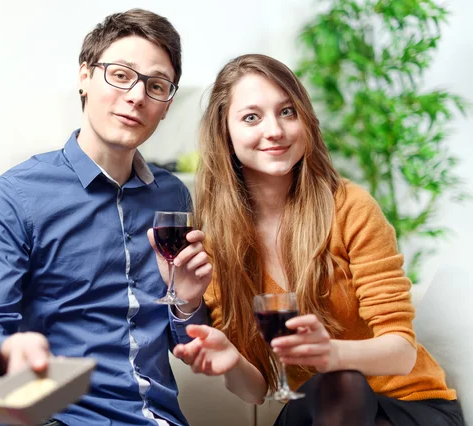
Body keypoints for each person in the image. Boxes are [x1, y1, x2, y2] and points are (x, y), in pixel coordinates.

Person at [0, 9, 212, 426]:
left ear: (165, 106)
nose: (137, 96)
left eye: (156, 86)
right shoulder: (15, 198)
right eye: (121, 75)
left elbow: (188, 346)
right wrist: (6, 353)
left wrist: (188, 301)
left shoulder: (173, 195)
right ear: (84, 77)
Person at [172, 53, 464, 426]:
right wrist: (230, 360)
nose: (274, 130)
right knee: (328, 392)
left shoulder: (350, 208)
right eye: (251, 117)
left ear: (305, 121)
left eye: (287, 112)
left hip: (408, 407)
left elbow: (401, 351)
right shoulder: (219, 243)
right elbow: (258, 389)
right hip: (322, 409)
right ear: (225, 136)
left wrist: (331, 354)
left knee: (342, 382)